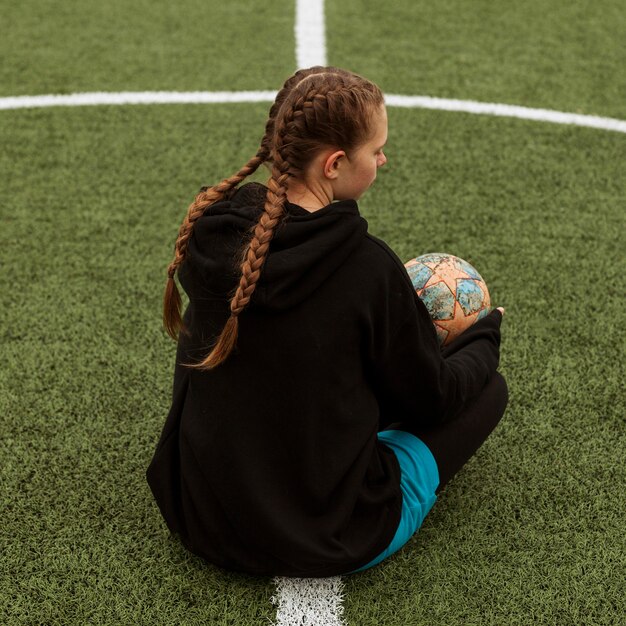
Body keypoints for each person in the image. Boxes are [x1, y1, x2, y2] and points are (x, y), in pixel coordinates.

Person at [146, 66, 508, 578]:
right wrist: (483, 339)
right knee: (488, 390)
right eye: (376, 150)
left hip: (200, 517)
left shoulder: (211, 231)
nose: (384, 159)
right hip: (332, 534)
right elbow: (432, 400)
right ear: (335, 164)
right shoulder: (366, 268)